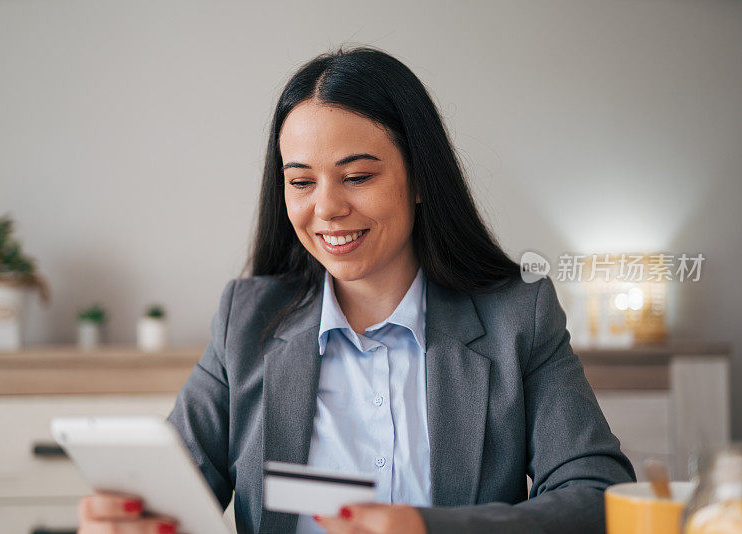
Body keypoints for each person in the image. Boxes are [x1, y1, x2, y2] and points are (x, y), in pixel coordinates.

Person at [77, 46, 635, 534]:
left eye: (358, 176)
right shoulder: (245, 321)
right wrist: (128, 518)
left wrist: (429, 529)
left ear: (419, 179)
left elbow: (598, 494)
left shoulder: (517, 315)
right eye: (301, 181)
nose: (327, 208)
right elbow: (172, 492)